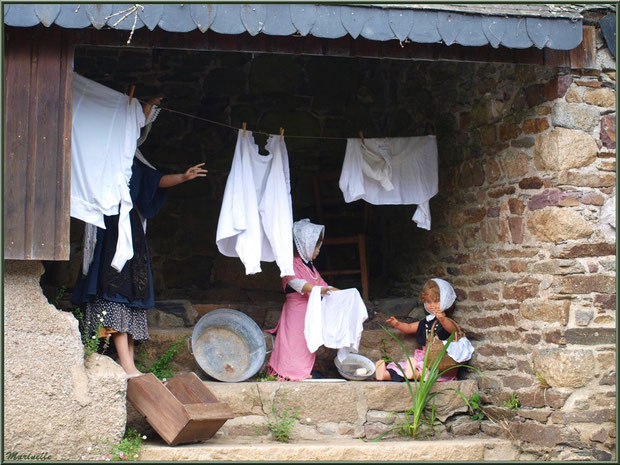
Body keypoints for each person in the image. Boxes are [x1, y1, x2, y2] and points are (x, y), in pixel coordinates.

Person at [71, 96, 208, 377]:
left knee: (131, 291)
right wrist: (142, 110)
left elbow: (155, 181)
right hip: (107, 228)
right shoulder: (103, 157)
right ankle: (125, 364)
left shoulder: (134, 162)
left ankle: (128, 362)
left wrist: (184, 176)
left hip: (130, 231)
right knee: (111, 287)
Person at [265, 219, 338, 381]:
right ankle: (289, 372)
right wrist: (319, 290)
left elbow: (323, 284)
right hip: (295, 311)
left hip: (309, 311)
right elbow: (297, 283)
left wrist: (341, 293)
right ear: (305, 244)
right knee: (293, 342)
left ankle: (303, 371)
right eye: (316, 246)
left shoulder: (310, 267)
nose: (318, 250)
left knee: (306, 342)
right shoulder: (290, 264)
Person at [375, 278, 459, 382]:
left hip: (439, 359)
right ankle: (384, 374)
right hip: (424, 357)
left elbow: (453, 330)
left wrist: (442, 319)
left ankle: (414, 373)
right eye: (428, 302)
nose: (432, 305)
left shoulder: (447, 321)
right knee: (405, 369)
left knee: (428, 372)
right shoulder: (426, 321)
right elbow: (410, 328)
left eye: (436, 301)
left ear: (446, 300)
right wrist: (397, 324)